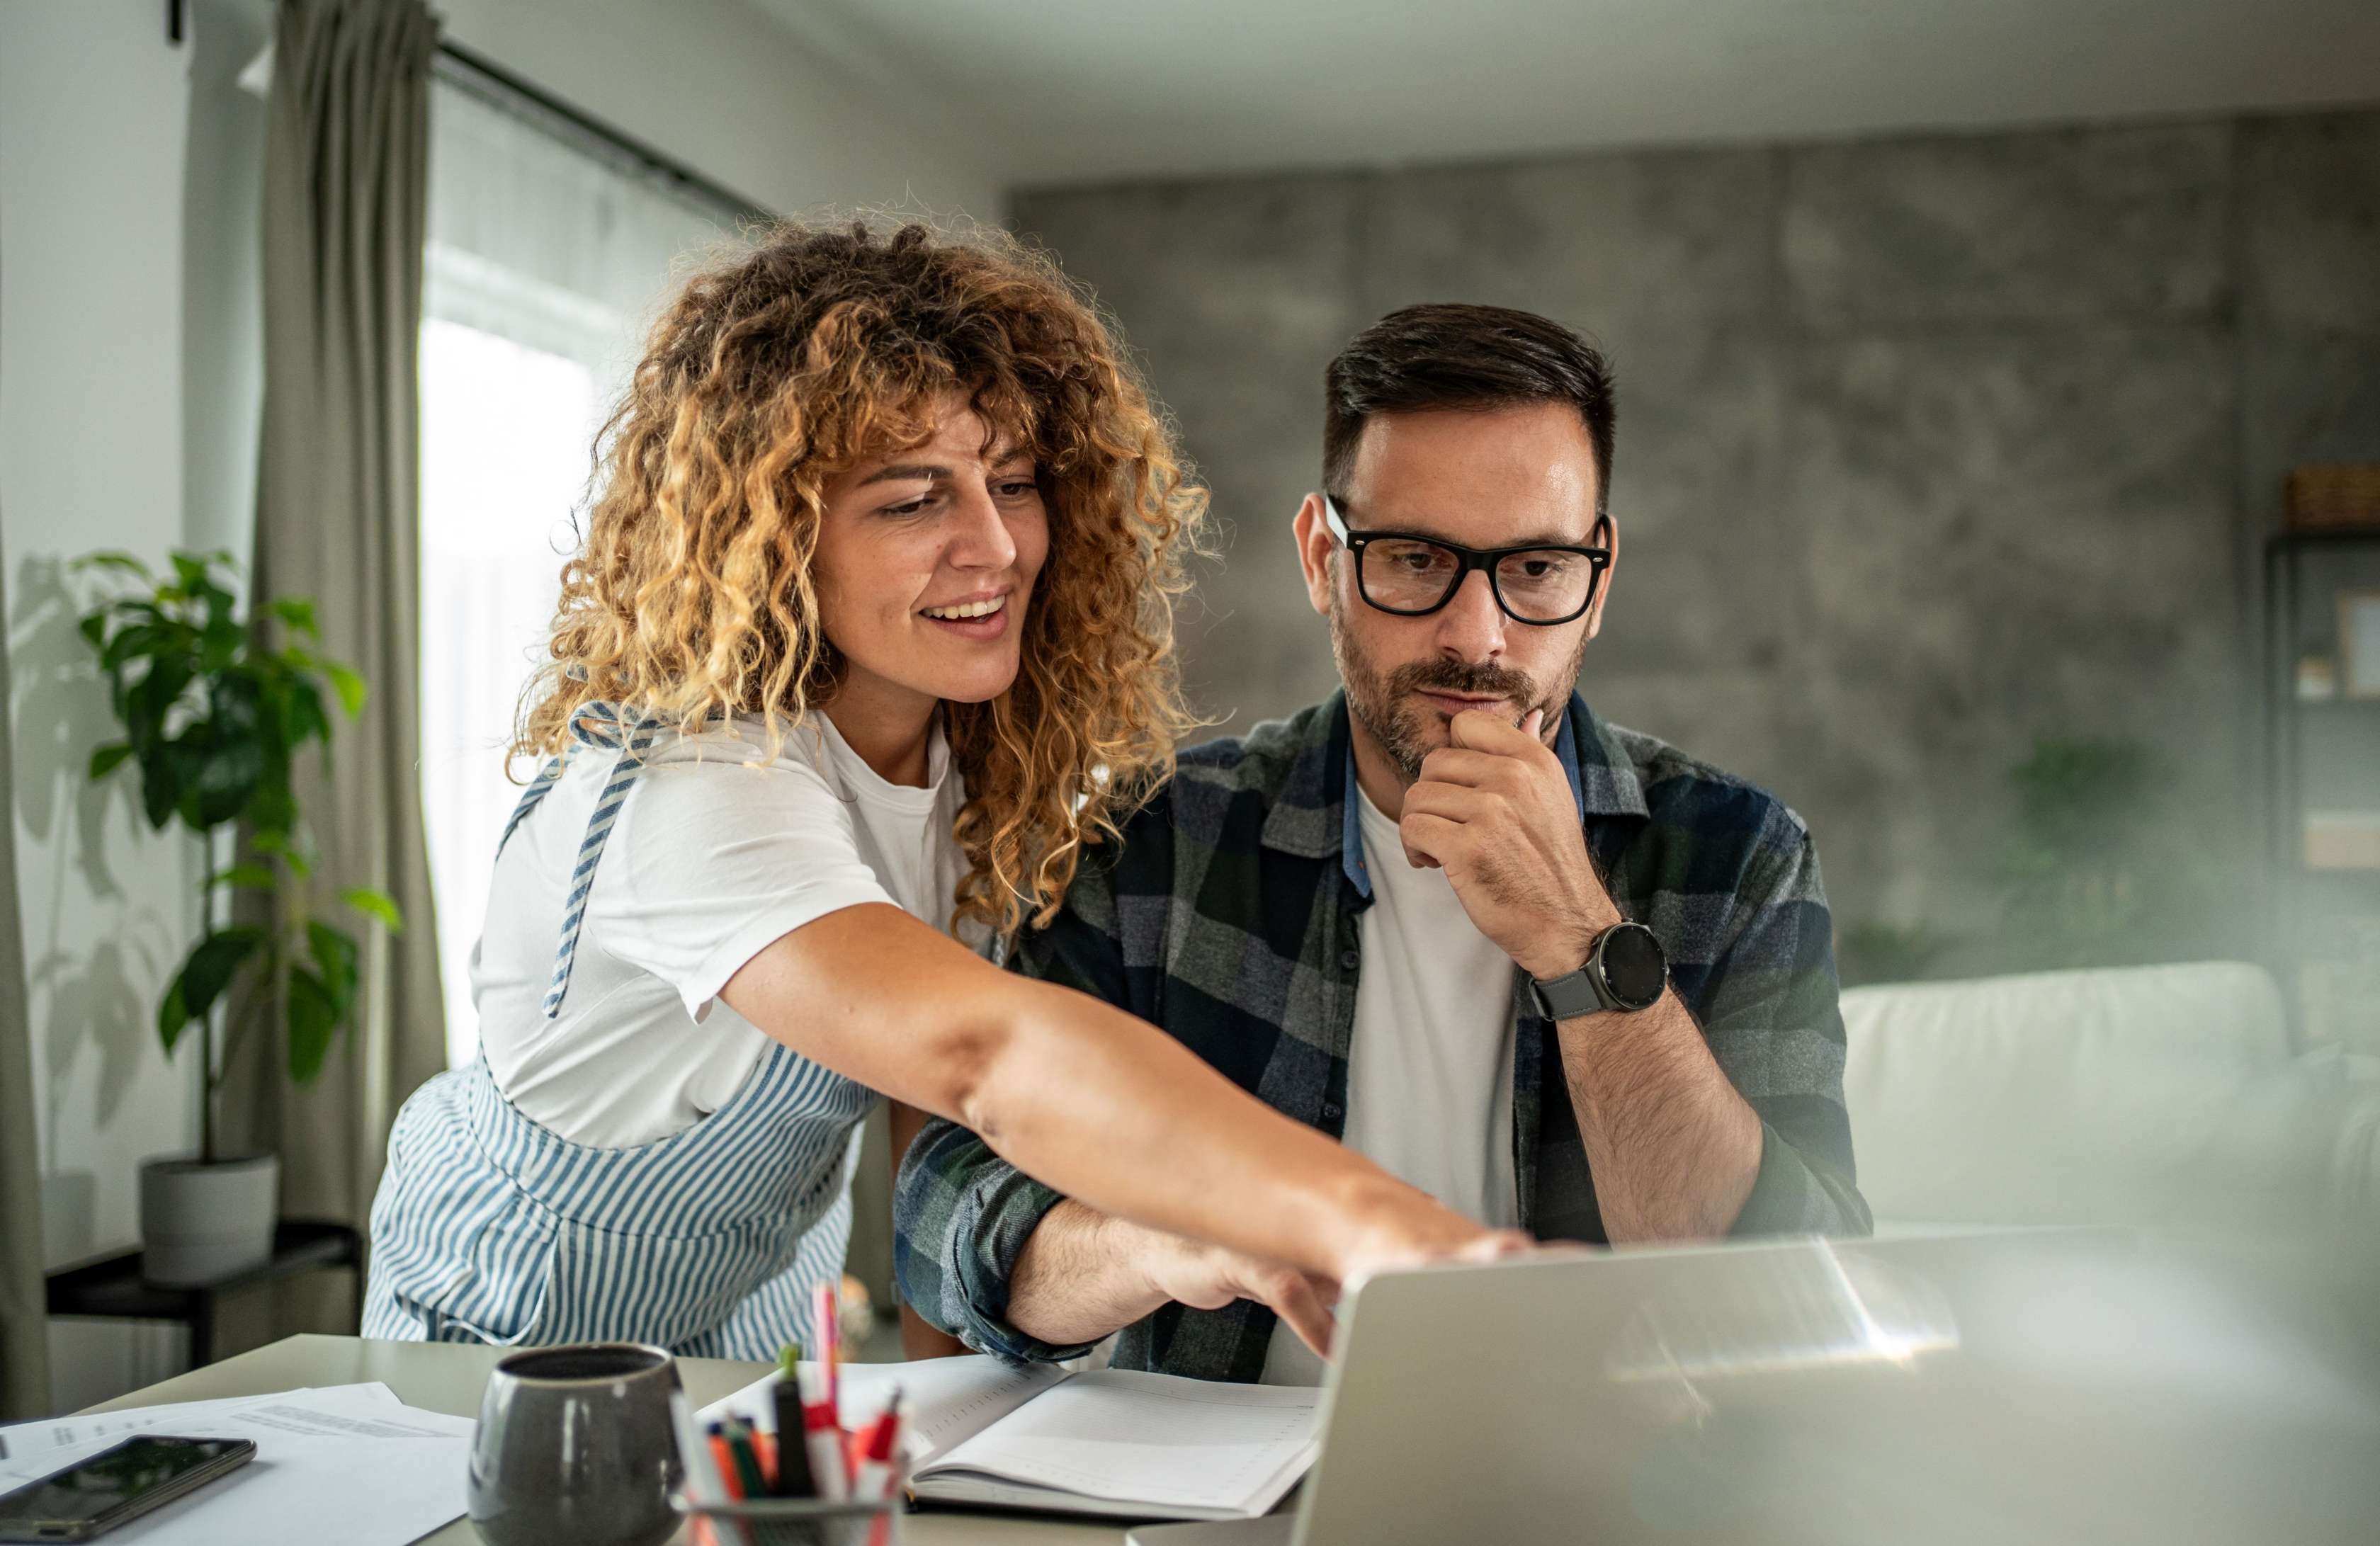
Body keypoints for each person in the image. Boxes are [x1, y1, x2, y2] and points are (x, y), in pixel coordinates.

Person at [362, 225, 1526, 1361]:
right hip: (507, 1315)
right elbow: (987, 1055)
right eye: (913, 501)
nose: (998, 546)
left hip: (762, 1310)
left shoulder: (978, 772)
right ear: (772, 542)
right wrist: (1367, 1220)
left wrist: (953, 1448)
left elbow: (939, 1137)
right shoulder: (697, 790)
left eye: (1012, 482)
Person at [896, 302, 1871, 1383]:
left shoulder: (1738, 858)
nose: (1478, 636)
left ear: (1598, 579)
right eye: (1414, 560)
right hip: (1235, 1517)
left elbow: (1795, 1301)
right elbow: (940, 1222)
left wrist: (1585, 944)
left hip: (1610, 1499)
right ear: (1322, 558)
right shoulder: (1156, 846)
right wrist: (1159, 1238)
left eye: (1538, 570)